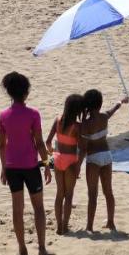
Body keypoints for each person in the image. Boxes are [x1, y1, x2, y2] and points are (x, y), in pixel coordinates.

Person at [0, 71, 52, 255]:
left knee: (17, 208)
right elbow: (39, 142)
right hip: (30, 166)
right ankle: (42, 247)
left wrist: (4, 168)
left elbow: (2, 145)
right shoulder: (33, 114)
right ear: (26, 93)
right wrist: (46, 164)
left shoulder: (4, 116)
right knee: (38, 208)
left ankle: (22, 247)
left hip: (12, 166)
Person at [79, 88, 128, 233]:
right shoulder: (104, 116)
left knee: (92, 194)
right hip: (107, 156)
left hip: (93, 158)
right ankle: (111, 222)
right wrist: (121, 101)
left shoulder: (85, 124)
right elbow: (114, 108)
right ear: (100, 104)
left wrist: (77, 168)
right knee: (108, 192)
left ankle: (89, 226)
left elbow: (83, 149)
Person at [47, 94, 84, 235]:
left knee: (59, 194)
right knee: (69, 195)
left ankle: (58, 227)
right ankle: (65, 226)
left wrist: (52, 153)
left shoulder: (57, 120)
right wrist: (78, 165)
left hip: (58, 159)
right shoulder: (77, 126)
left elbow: (48, 141)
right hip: (70, 161)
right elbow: (81, 149)